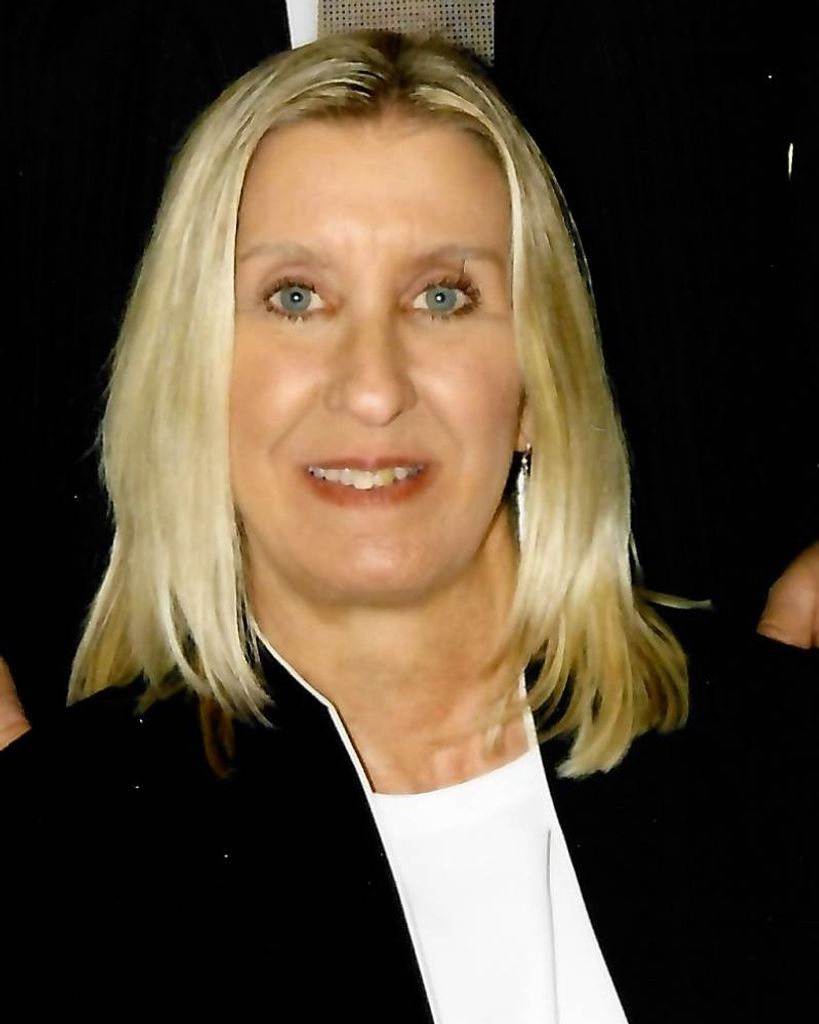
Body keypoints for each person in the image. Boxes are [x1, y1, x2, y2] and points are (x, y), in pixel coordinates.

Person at [3, 30, 816, 1024]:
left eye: (442, 297)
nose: (374, 387)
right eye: (295, 298)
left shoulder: (782, 763)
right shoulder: (54, 867)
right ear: (193, 376)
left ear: (537, 382)